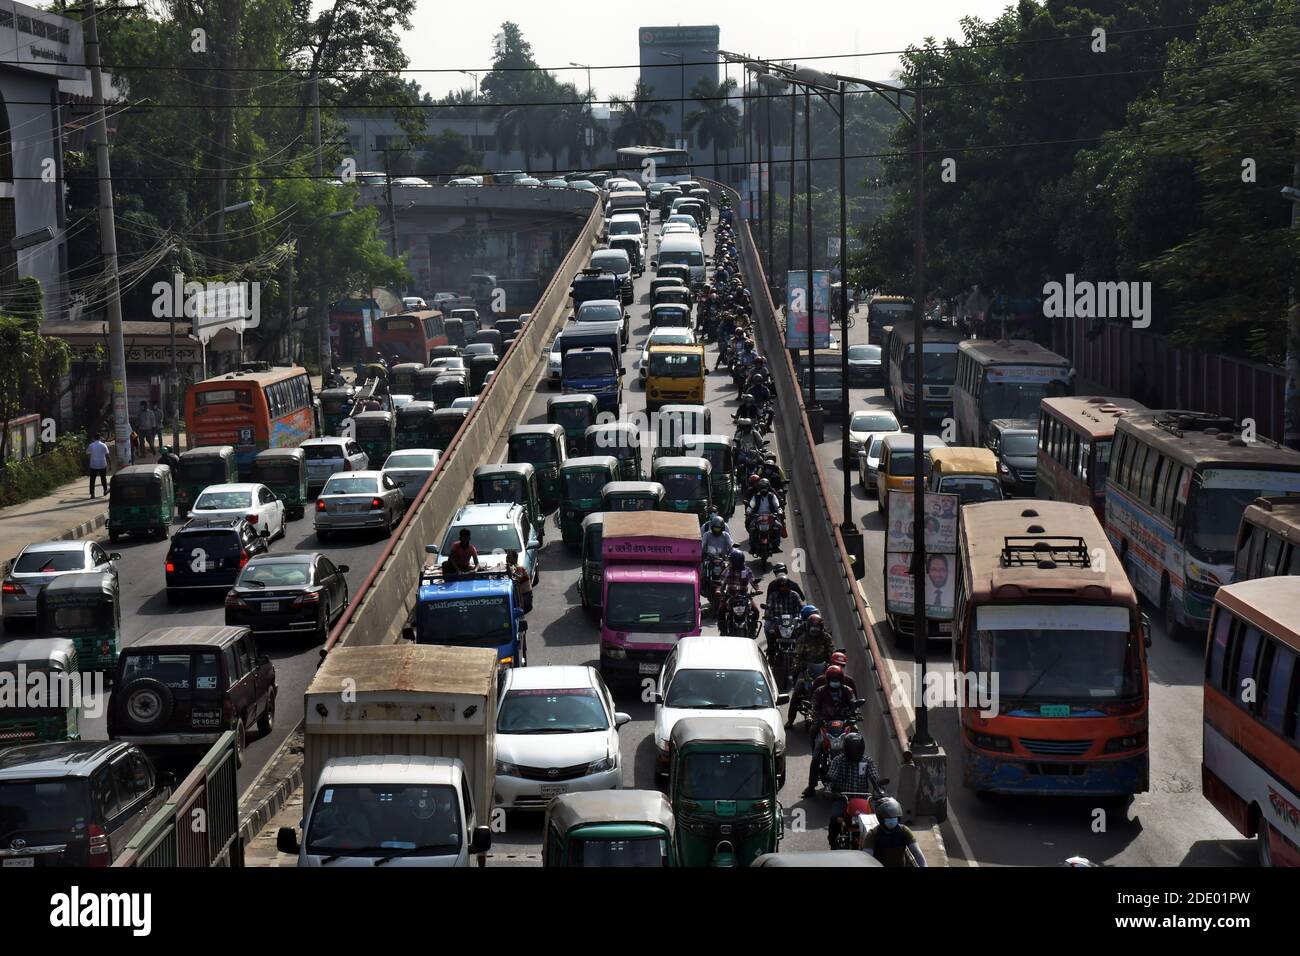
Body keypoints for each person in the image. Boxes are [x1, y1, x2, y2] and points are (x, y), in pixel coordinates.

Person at [803, 664, 858, 797]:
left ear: (841, 679)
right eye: (833, 679)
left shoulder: (847, 690)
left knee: (857, 738)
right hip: (824, 724)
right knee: (816, 754)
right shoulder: (820, 691)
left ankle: (857, 781)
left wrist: (855, 713)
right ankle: (811, 786)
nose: (835, 681)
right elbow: (814, 705)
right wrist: (814, 715)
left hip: (843, 725)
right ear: (828, 679)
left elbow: (853, 703)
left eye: (837, 679)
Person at [825, 733, 882, 848]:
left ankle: (874, 846)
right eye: (851, 749)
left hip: (863, 799)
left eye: (856, 749)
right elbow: (831, 777)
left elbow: (874, 777)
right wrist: (828, 789)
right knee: (835, 819)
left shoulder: (867, 761)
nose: (854, 752)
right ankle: (832, 842)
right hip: (843, 798)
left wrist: (880, 791)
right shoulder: (838, 761)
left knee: (876, 821)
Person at [786, 610, 833, 728]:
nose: (814, 630)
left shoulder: (826, 637)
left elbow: (831, 652)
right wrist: (798, 666)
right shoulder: (803, 638)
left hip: (823, 670)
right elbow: (798, 655)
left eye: (817, 627)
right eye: (813, 627)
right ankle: (790, 721)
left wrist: (831, 663)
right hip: (807, 669)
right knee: (797, 691)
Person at [859, 796, 926, 867]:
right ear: (881, 818)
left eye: (894, 817)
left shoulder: (904, 831)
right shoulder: (872, 835)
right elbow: (867, 859)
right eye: (888, 817)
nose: (892, 819)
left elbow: (918, 854)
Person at [715, 547, 757, 634]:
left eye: (731, 561)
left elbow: (753, 581)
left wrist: (757, 589)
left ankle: (753, 629)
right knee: (720, 611)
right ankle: (723, 631)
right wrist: (718, 590)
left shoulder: (747, 570)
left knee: (756, 611)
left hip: (744, 596)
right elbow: (721, 581)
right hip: (730, 596)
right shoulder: (728, 570)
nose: (730, 562)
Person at [87, 433, 110, 498]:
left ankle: (92, 494)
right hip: (102, 464)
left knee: (92, 479)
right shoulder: (103, 445)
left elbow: (88, 454)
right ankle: (105, 490)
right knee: (103, 478)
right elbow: (107, 455)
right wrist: (110, 464)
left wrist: (90, 462)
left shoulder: (91, 445)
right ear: (100, 438)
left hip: (93, 465)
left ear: (94, 438)